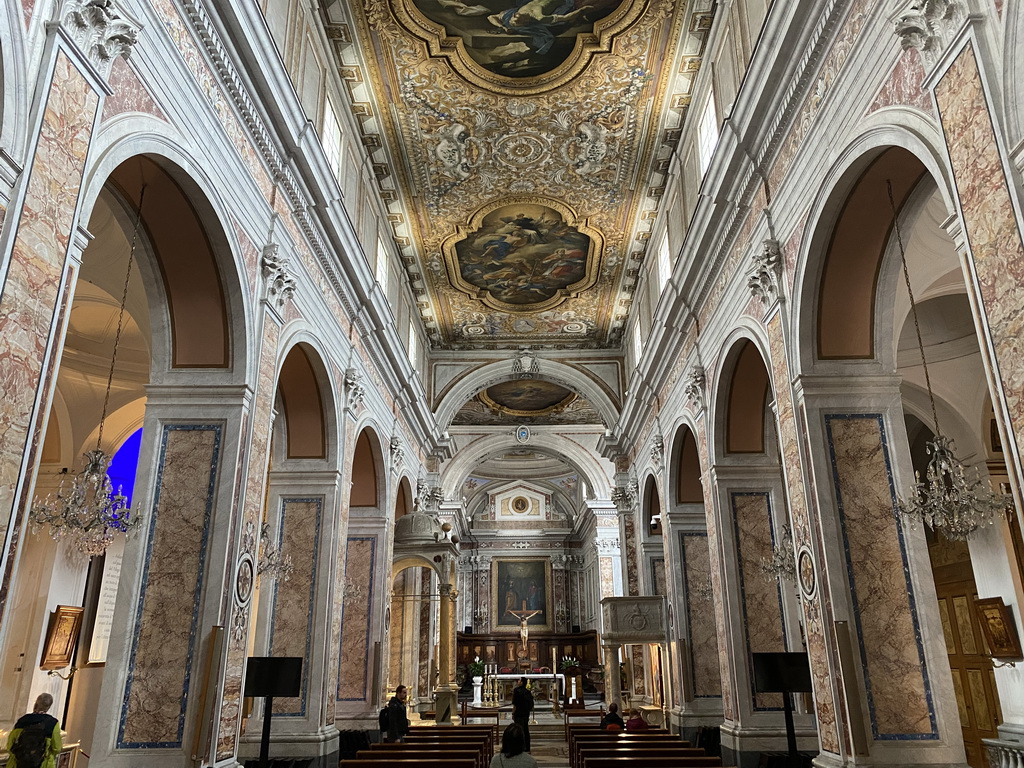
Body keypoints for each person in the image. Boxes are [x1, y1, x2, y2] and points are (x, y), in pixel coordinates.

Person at [6, 693, 62, 768]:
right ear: (48, 707)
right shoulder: (52, 723)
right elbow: (57, 748)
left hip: (18, 763)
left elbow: (10, 745)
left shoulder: (22, 721)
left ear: (36, 704)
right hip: (43, 764)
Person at [511, 676, 534, 752]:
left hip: (518, 713)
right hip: (525, 713)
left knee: (518, 730)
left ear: (522, 682)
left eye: (519, 681)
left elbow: (515, 703)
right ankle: (527, 747)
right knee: (525, 730)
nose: (518, 681)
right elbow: (531, 704)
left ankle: (519, 747)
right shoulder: (528, 692)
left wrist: (513, 713)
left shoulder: (516, 691)